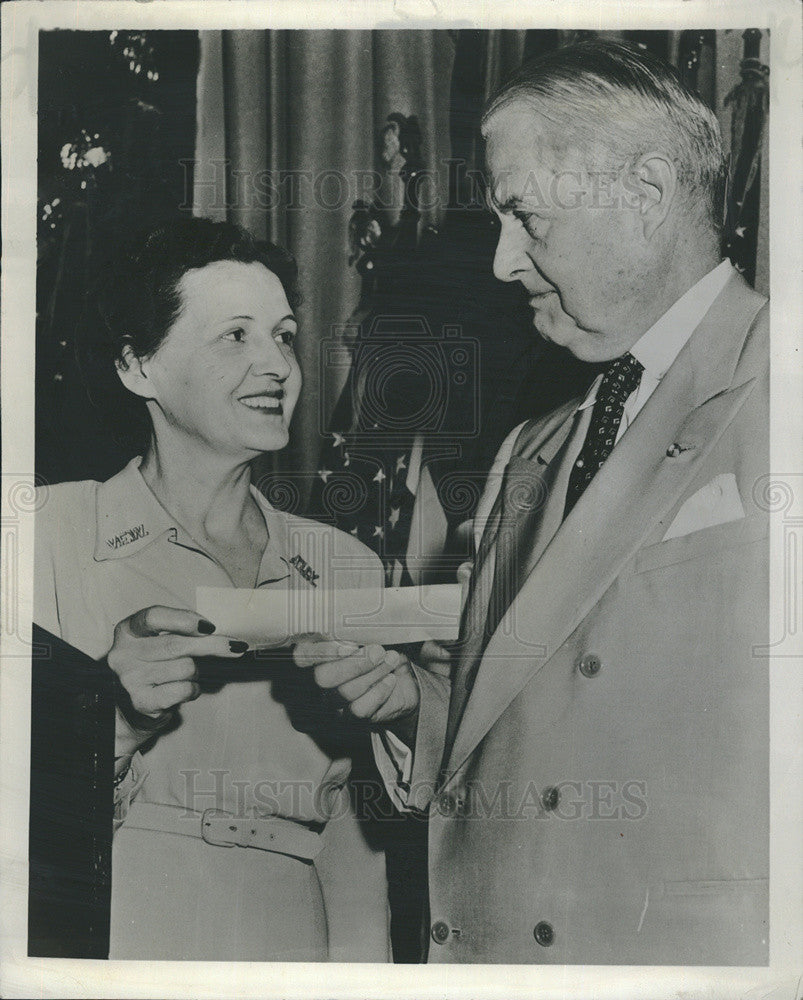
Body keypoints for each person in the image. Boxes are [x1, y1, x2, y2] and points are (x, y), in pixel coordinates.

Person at [293, 40, 770, 964]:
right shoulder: (528, 450)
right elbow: (510, 735)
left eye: (525, 218)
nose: (505, 262)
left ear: (644, 190)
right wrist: (408, 705)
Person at [34, 217, 392, 961]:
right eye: (235, 336)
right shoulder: (47, 538)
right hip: (118, 923)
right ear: (138, 367)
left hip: (296, 935)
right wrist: (114, 716)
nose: (278, 367)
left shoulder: (346, 565)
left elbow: (356, 839)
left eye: (285, 335)